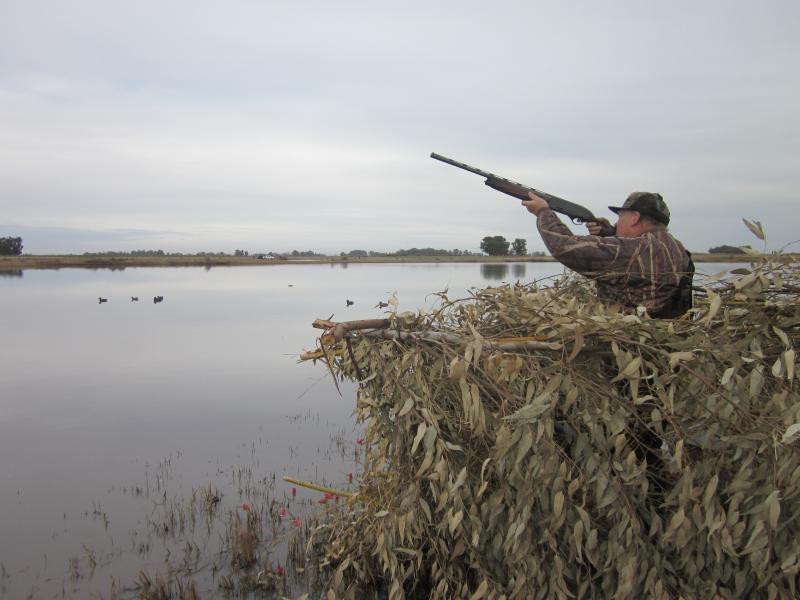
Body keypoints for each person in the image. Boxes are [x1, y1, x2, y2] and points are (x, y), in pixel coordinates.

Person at [522, 191, 694, 318]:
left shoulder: (636, 249)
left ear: (635, 218)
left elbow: (566, 247)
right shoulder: (675, 248)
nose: (617, 222)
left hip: (630, 344)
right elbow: (633, 261)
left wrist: (543, 212)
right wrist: (608, 233)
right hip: (662, 337)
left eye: (620, 217)